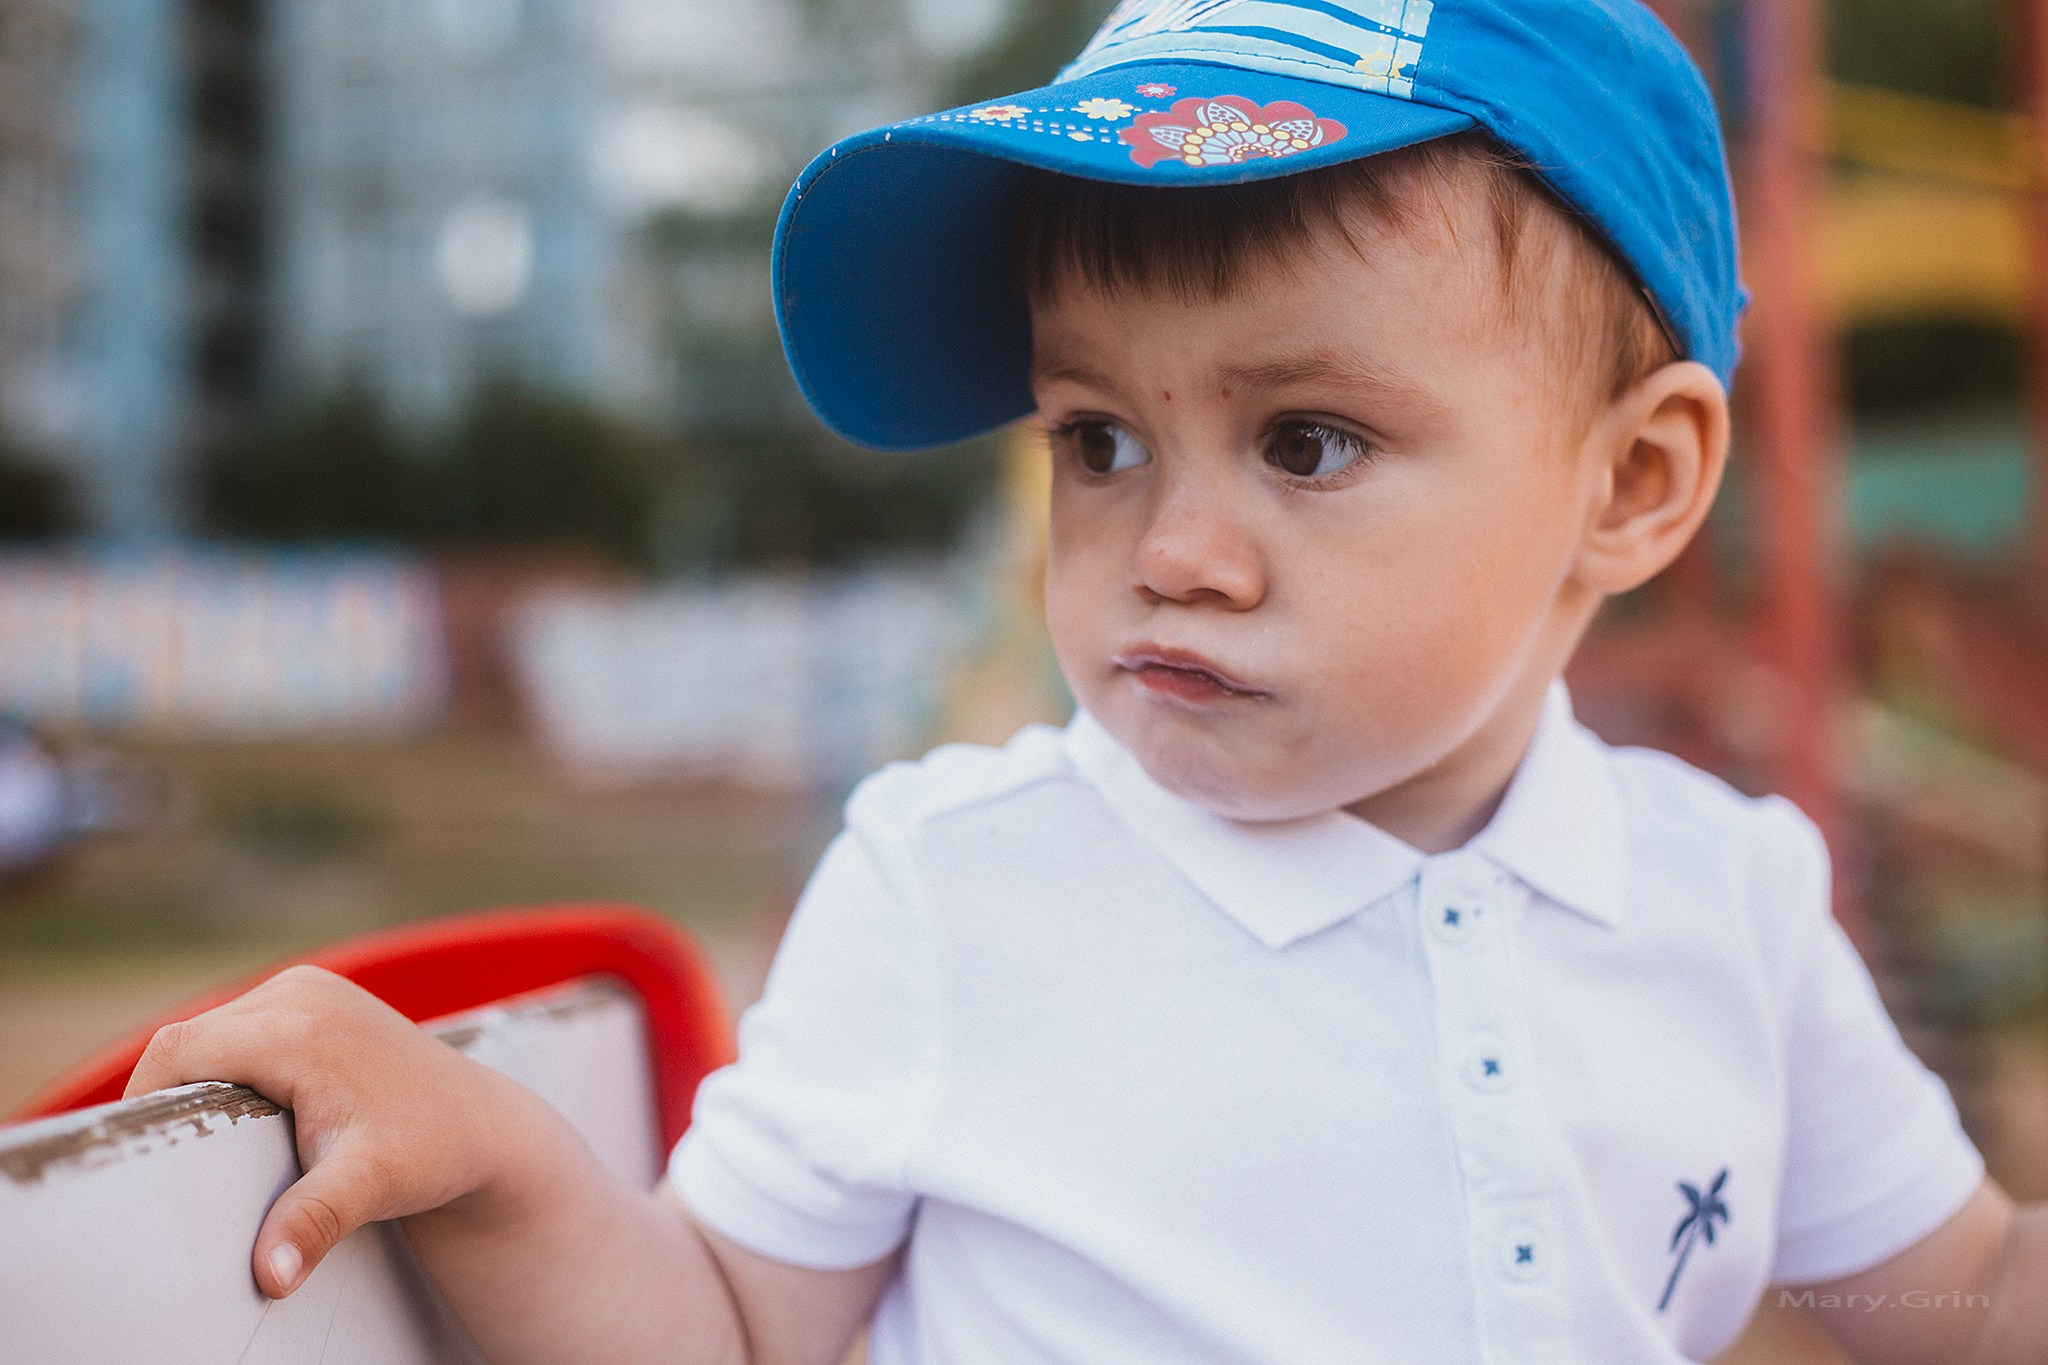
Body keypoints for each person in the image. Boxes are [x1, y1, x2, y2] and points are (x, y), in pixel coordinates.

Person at [123, 2, 2048, 1361]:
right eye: (1097, 440)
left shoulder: (1732, 902)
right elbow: (718, 1325)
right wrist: (492, 1163)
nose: (1168, 547)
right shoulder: (957, 889)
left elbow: (1950, 1303)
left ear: (1630, 484)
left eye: (1304, 440)